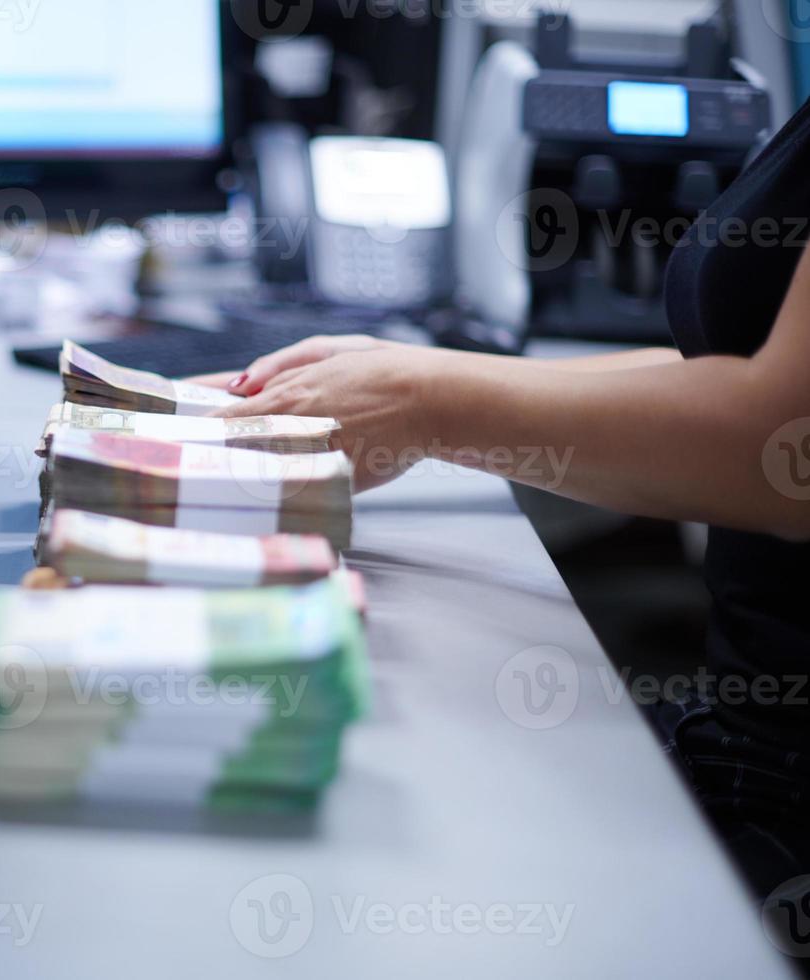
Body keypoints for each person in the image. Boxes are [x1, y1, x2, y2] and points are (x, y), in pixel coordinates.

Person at [199, 97, 810, 897]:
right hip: (733, 744)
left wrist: (427, 400)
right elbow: (709, 365)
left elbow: (780, 445)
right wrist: (403, 374)